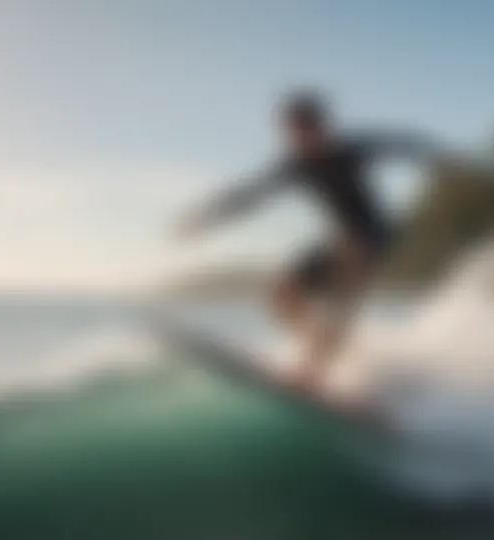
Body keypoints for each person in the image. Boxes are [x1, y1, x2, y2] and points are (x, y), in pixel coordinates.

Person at [175, 91, 443, 394]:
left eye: (306, 129)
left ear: (322, 127)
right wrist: (206, 216)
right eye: (293, 132)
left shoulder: (349, 150)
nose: (300, 139)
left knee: (348, 273)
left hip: (373, 234)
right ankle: (331, 345)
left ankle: (312, 371)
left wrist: (439, 158)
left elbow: (401, 143)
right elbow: (250, 194)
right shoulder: (296, 166)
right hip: (338, 241)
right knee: (282, 300)